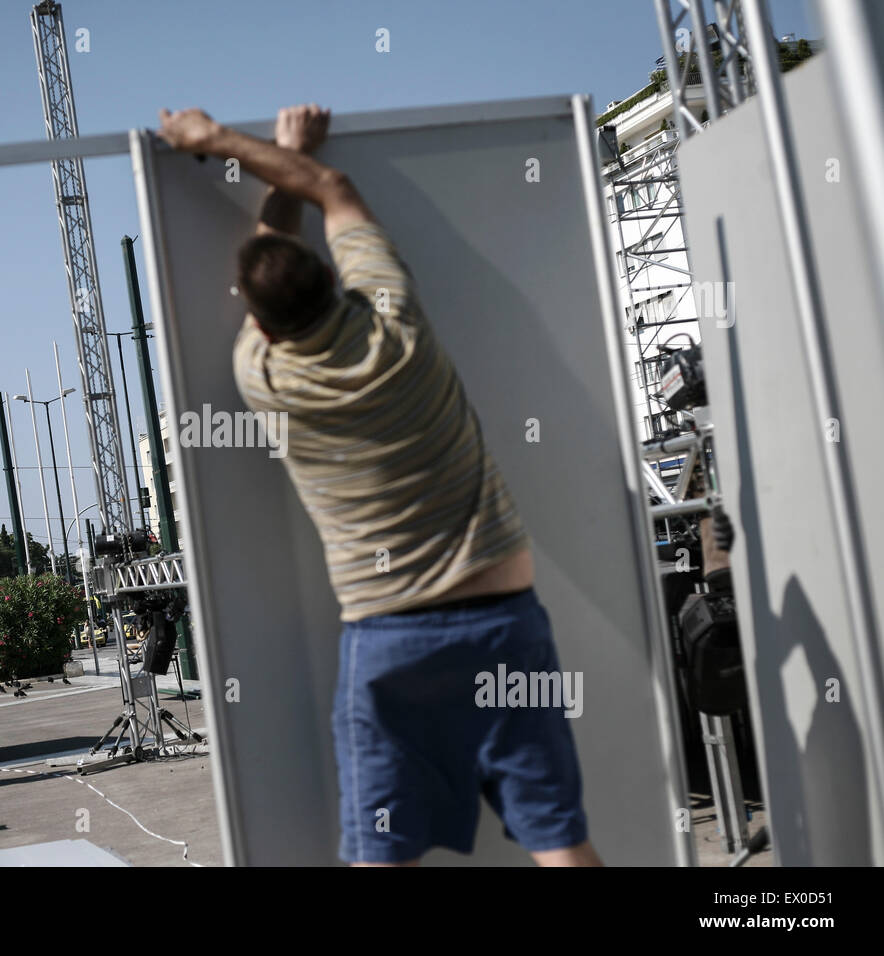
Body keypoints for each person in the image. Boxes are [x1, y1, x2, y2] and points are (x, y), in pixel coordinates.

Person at [156, 103, 602, 867]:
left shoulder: (263, 377)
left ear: (258, 326)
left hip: (391, 636)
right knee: (558, 840)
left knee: (381, 857)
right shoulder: (399, 327)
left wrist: (261, 166)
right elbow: (335, 189)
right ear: (336, 276)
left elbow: (271, 244)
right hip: (504, 621)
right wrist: (236, 143)